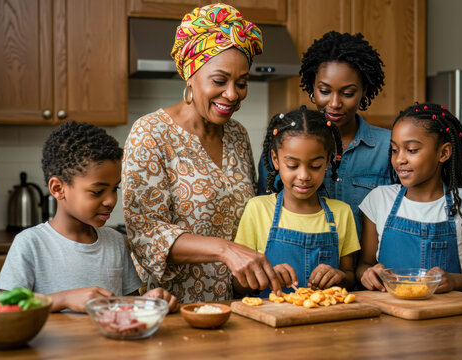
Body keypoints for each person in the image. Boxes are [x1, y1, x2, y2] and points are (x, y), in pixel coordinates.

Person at [122, 3, 280, 303]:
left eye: (242, 83)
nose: (233, 94)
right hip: (173, 307)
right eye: (220, 81)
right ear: (190, 75)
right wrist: (224, 249)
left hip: (237, 305)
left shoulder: (238, 135)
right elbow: (146, 235)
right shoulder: (152, 133)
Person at [0, 121, 178, 313]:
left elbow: (129, 305)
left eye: (114, 189)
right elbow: (3, 308)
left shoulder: (115, 242)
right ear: (58, 189)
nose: (110, 200)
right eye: (97, 191)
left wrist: (151, 302)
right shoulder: (30, 243)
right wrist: (63, 299)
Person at [257, 31, 391, 239]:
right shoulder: (283, 144)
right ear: (312, 87)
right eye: (325, 91)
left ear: (364, 90)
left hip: (369, 269)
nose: (335, 103)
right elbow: (264, 216)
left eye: (348, 93)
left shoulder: (389, 148)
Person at [357, 103, 462, 293]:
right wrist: (368, 273)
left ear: (443, 153)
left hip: (447, 316)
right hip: (388, 314)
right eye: (395, 149)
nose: (399, 160)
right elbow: (364, 264)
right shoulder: (379, 199)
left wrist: (454, 281)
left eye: (412, 150)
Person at [235, 106, 360, 294]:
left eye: (315, 166)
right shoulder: (257, 209)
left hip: (327, 319)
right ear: (276, 160)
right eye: (292, 165)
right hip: (270, 319)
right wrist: (266, 276)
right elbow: (237, 284)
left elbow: (350, 276)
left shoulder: (342, 213)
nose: (304, 175)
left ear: (327, 162)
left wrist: (339, 276)